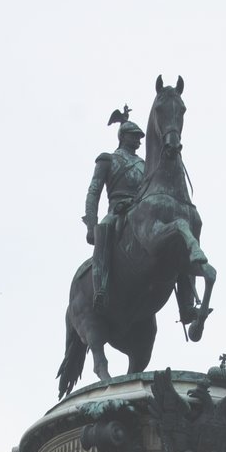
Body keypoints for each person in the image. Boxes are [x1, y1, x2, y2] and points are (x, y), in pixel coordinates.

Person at [83, 117, 146, 311]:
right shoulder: (108, 159)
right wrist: (91, 224)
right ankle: (100, 288)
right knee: (104, 230)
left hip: (141, 209)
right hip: (116, 210)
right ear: (122, 136)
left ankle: (186, 302)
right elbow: (94, 191)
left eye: (139, 137)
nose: (139, 140)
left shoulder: (145, 164)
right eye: (134, 136)